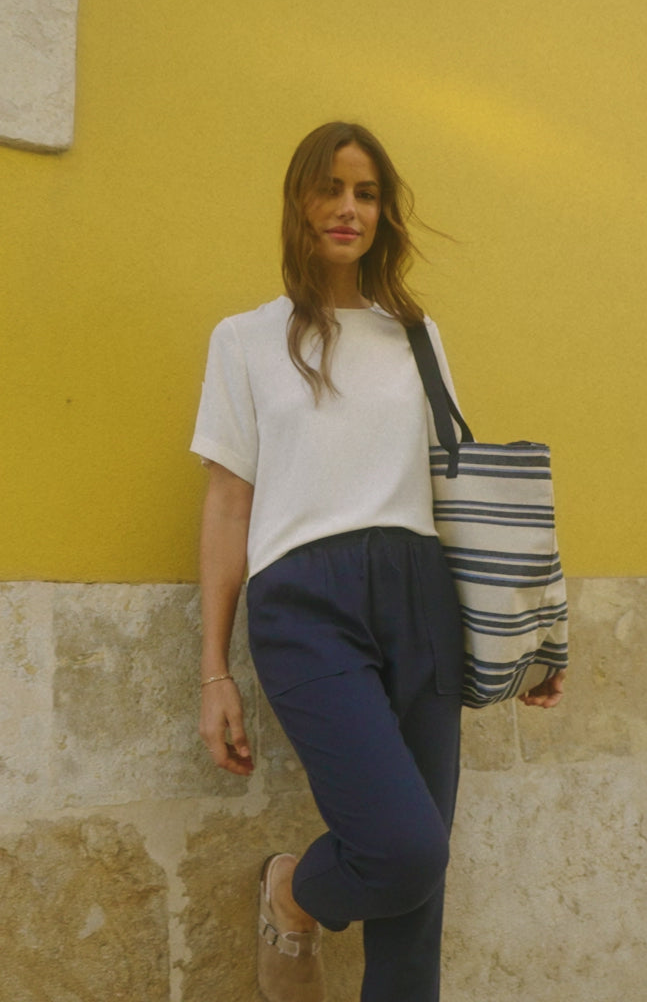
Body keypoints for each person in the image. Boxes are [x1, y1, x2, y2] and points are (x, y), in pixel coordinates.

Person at [192, 121, 565, 1002]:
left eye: (366, 193)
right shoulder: (244, 339)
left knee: (417, 900)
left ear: (384, 214)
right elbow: (228, 505)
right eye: (330, 188)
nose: (348, 208)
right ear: (299, 202)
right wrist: (213, 670)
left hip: (420, 594)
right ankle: (295, 893)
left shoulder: (417, 336)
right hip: (302, 604)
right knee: (404, 848)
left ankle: (313, 909)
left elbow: (457, 493)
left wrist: (530, 638)